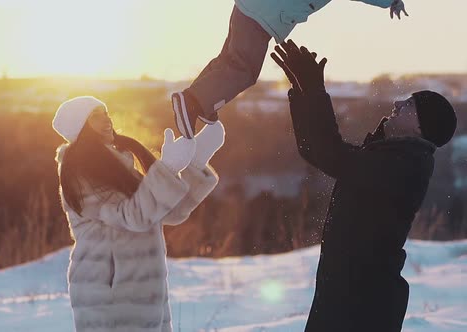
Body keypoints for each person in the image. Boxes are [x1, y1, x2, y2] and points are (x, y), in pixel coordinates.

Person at [271, 40, 456, 332]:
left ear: (420, 127)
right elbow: (313, 150)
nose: (397, 104)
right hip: (343, 297)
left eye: (409, 105)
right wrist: (301, 90)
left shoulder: (407, 167)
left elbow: (331, 154)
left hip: (364, 307)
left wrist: (315, 90)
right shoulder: (392, 156)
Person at [52, 96, 225, 332]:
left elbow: (167, 213)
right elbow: (133, 217)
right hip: (110, 290)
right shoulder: (80, 175)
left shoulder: (119, 167)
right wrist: (168, 169)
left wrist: (196, 161)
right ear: (80, 129)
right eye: (95, 116)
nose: (106, 120)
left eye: (106, 112)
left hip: (141, 290)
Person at [171, 0, 408, 139]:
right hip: (263, 16)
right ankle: (192, 102)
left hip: (250, 8)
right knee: (244, 70)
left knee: (230, 60)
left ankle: (201, 103)